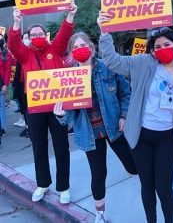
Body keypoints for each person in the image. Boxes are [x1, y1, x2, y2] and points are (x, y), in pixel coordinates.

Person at [98, 10, 173, 223]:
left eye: (167, 45)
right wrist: (105, 32)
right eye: (157, 47)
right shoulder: (142, 63)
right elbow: (113, 61)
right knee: (147, 185)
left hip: (167, 138)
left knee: (164, 188)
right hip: (141, 136)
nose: (163, 49)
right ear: (152, 51)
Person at [53, 31, 137, 223]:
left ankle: (132, 169)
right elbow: (71, 113)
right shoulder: (69, 77)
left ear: (91, 48)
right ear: (71, 52)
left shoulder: (108, 67)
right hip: (90, 133)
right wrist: (62, 114)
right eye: (74, 47)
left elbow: (125, 93)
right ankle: (100, 214)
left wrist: (124, 116)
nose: (79, 49)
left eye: (83, 45)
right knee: (99, 174)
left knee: (134, 167)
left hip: (114, 128)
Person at [8, 0, 77, 204]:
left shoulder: (55, 49)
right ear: (28, 38)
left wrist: (70, 15)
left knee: (61, 147)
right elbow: (13, 45)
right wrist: (17, 23)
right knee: (38, 147)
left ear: (45, 36)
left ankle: (63, 187)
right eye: (33, 35)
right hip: (36, 109)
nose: (37, 37)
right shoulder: (25, 55)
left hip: (57, 109)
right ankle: (42, 183)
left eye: (40, 34)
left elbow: (64, 34)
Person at [12, 33, 30, 137]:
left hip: (31, 84)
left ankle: (31, 128)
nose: (27, 40)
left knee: (29, 107)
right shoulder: (20, 53)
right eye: (25, 38)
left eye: (29, 38)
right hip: (21, 82)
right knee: (23, 106)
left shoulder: (33, 53)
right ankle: (27, 126)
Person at [0, 34, 12, 138]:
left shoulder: (6, 54)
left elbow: (8, 70)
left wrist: (5, 84)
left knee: (1, 107)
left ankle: (3, 128)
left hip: (1, 83)